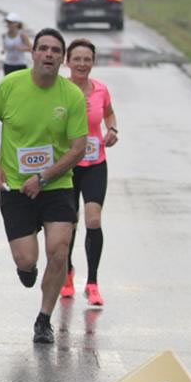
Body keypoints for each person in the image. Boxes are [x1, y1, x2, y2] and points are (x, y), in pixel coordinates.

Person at [0, 28, 87, 344]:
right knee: (27, 260)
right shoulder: (10, 86)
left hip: (56, 185)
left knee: (59, 250)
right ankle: (27, 270)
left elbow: (78, 148)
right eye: (44, 48)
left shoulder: (71, 96)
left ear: (62, 59)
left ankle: (44, 319)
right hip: (15, 188)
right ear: (33, 53)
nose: (49, 54)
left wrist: (43, 178)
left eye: (55, 50)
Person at [61, 39, 118, 306]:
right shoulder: (59, 90)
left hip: (95, 163)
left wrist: (112, 130)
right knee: (69, 222)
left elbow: (109, 114)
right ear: (67, 62)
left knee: (93, 220)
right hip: (67, 165)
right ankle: (67, 273)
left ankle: (92, 283)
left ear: (92, 62)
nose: (82, 64)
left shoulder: (101, 90)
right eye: (77, 59)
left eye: (87, 59)